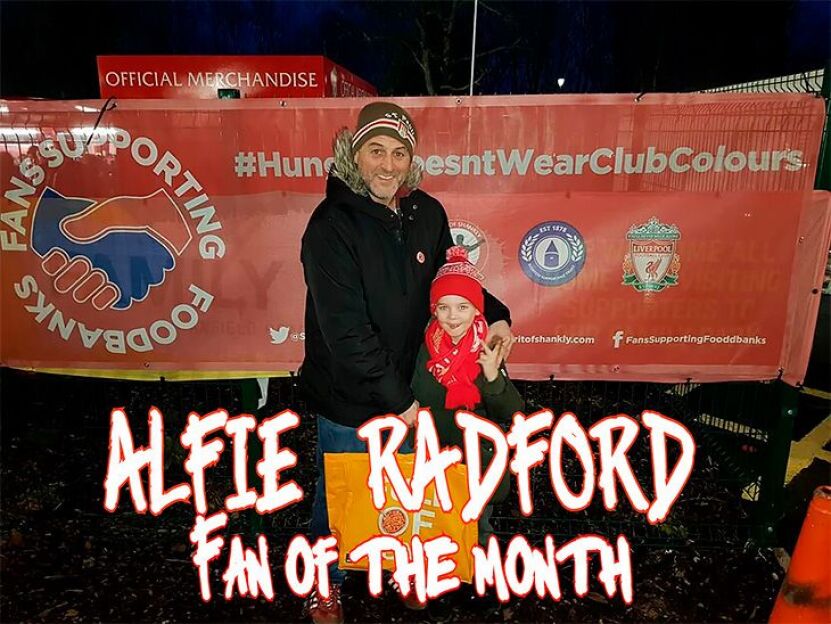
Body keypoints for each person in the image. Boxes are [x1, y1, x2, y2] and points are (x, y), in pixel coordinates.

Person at [300, 101, 513, 624]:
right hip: (351, 395)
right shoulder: (330, 226)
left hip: (416, 384)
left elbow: (451, 281)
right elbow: (346, 332)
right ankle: (325, 584)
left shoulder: (427, 213)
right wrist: (401, 402)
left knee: (407, 487)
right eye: (376, 151)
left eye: (399, 153)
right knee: (341, 492)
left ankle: (402, 566)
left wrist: (497, 315)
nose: (388, 165)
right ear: (354, 155)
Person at [411, 246, 523, 554]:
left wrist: (492, 376)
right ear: (434, 310)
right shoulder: (422, 347)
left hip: (475, 461)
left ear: (477, 310)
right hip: (432, 459)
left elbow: (511, 411)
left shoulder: (487, 348)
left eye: (462, 306)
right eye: (444, 307)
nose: (452, 316)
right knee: (431, 526)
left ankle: (479, 573)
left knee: (477, 530)